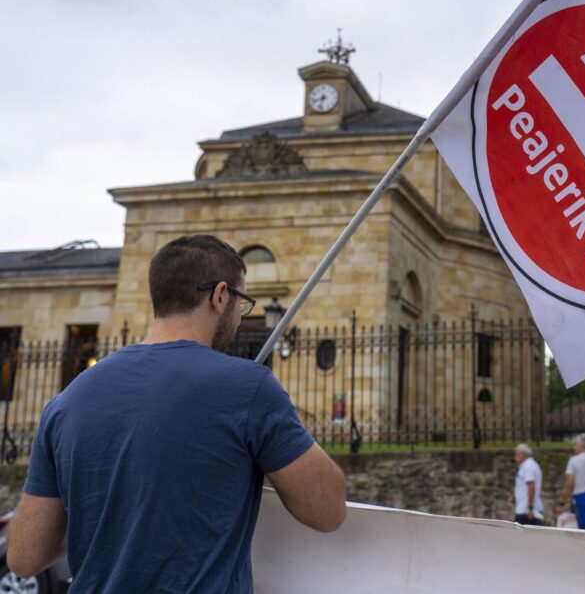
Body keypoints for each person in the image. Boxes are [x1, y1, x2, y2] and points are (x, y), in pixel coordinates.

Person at [8, 234, 347, 591]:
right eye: (241, 302)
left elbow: (25, 554)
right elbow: (327, 511)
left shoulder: (66, 401)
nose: (238, 316)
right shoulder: (249, 388)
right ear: (220, 296)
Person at [513, 443, 544, 525]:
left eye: (517, 454)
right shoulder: (529, 465)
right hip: (526, 508)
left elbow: (531, 486)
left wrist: (530, 508)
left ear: (523, 454)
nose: (515, 457)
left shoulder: (528, 466)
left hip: (526, 510)